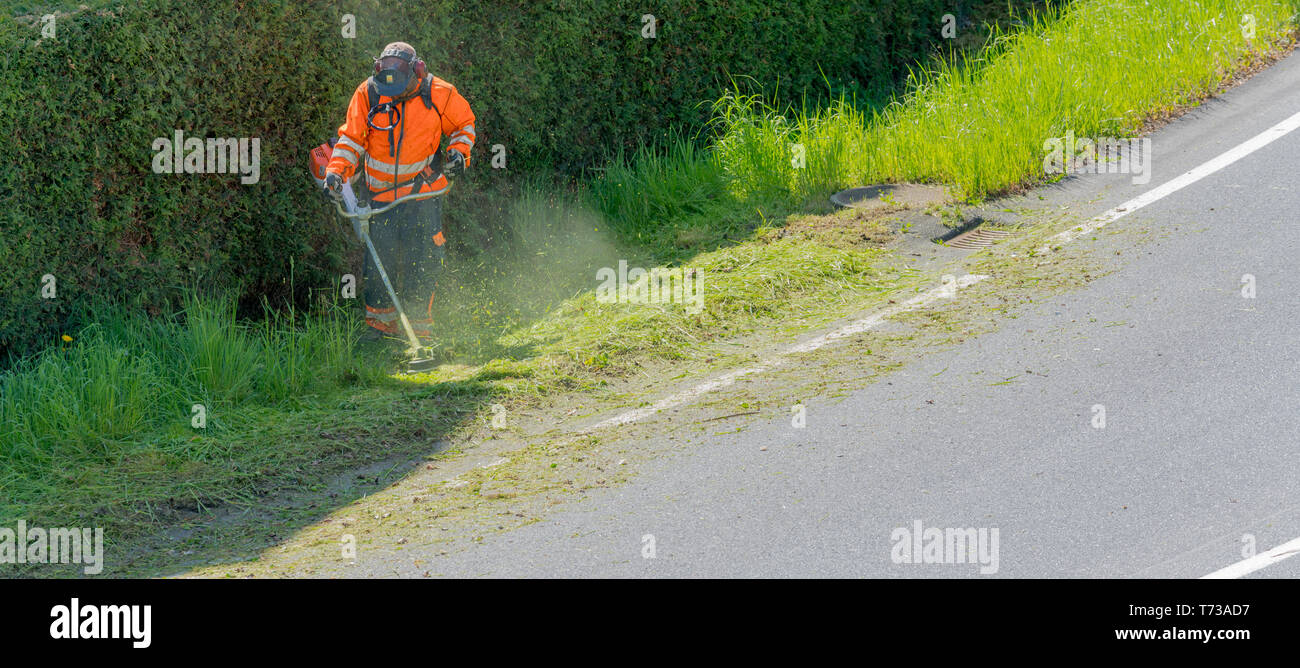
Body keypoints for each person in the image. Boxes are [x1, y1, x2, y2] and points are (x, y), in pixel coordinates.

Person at [321, 41, 476, 339]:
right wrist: (335, 174)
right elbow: (351, 141)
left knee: (424, 258)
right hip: (379, 197)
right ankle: (380, 326)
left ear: (418, 72)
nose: (394, 96)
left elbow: (464, 126)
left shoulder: (439, 93)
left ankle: (419, 327)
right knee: (379, 261)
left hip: (422, 194)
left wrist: (458, 153)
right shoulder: (369, 92)